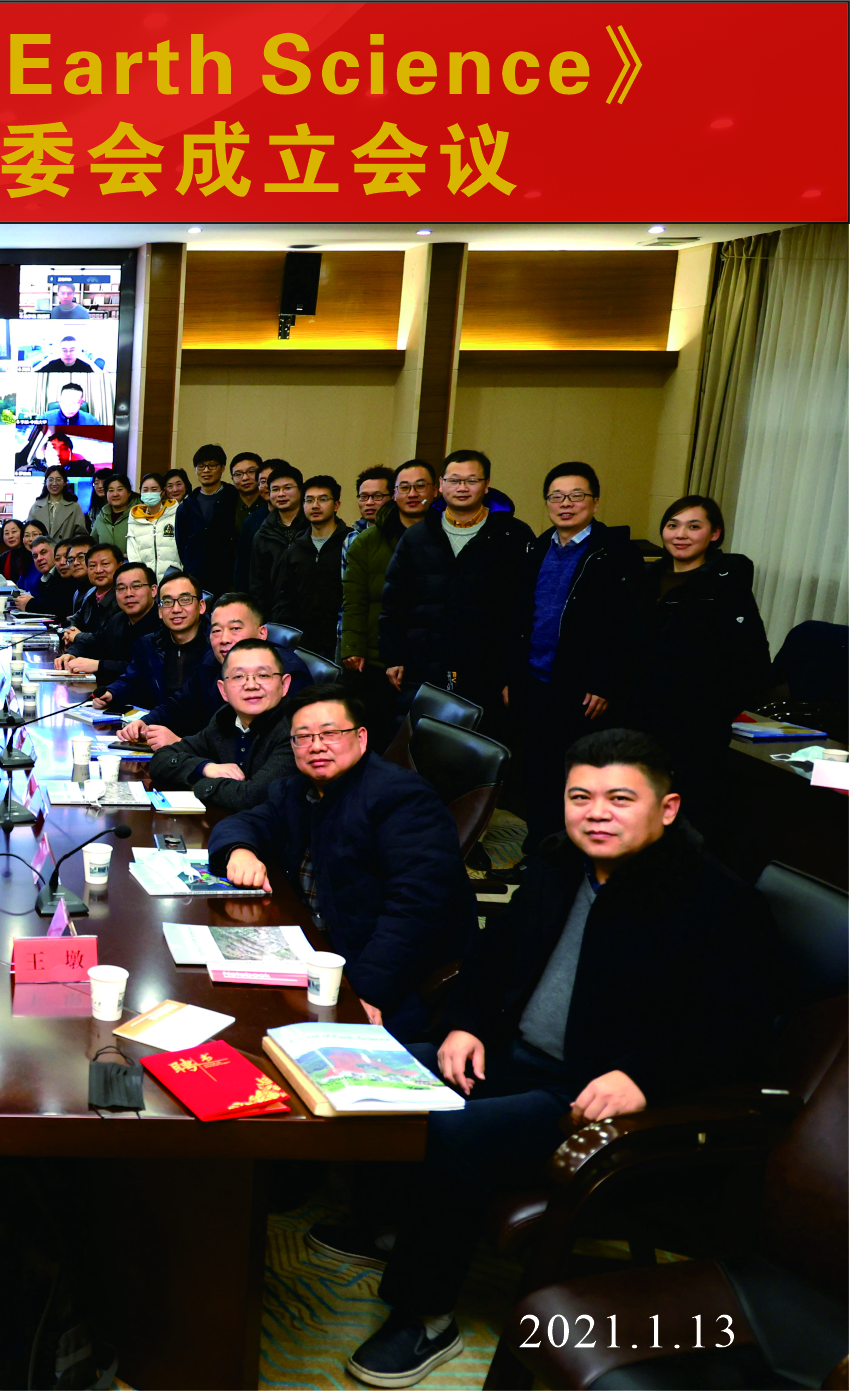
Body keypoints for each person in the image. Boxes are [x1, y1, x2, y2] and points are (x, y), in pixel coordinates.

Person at [326, 730, 774, 1389]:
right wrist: (465, 1023)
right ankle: (389, 1226)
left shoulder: (718, 902)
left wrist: (641, 1076)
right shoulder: (558, 861)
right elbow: (491, 957)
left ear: (668, 807)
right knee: (364, 1067)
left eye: (620, 798)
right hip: (511, 1052)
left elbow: (736, 1029)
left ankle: (424, 1315)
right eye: (579, 797)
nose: (596, 813)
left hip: (588, 1091)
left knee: (456, 1132)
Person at [208, 684, 477, 1042]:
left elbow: (417, 911)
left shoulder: (403, 799)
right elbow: (246, 822)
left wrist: (364, 991)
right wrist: (239, 850)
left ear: (361, 738)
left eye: (330, 734)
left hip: (391, 975)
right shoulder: (296, 789)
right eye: (303, 737)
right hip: (314, 949)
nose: (316, 746)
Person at [510, 463, 647, 850]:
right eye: (556, 496)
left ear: (595, 501)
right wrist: (512, 676)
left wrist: (605, 683)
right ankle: (539, 852)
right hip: (535, 681)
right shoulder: (537, 547)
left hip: (582, 689)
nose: (565, 504)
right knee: (537, 774)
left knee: (578, 778)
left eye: (576, 496)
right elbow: (519, 617)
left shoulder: (615, 553)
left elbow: (628, 627)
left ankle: (574, 855)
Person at [627, 495, 770, 840]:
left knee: (685, 819)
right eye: (673, 525)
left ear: (714, 534)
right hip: (639, 717)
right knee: (638, 810)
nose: (681, 535)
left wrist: (712, 711)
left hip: (694, 727)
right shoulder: (646, 578)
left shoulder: (726, 587)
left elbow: (752, 662)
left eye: (694, 526)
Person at [378, 448, 536, 715]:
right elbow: (394, 602)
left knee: (481, 736)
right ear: (440, 485)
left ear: (486, 484)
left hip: (487, 666)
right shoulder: (417, 536)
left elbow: (526, 608)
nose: (462, 488)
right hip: (424, 663)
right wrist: (393, 657)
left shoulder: (513, 535)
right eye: (454, 480)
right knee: (424, 734)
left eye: (472, 480)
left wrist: (515, 672)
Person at [121, 591, 290, 748]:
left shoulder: (281, 672)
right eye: (216, 630)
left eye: (235, 629)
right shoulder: (211, 662)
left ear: (262, 633)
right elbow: (181, 704)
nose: (224, 639)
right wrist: (145, 723)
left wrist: (181, 744)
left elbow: (254, 751)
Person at [146, 640, 300, 812]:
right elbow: (160, 761)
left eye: (263, 675)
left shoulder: (297, 730)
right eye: (238, 676)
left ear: (284, 684)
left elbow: (251, 798)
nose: (251, 685)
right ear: (223, 690)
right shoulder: (226, 719)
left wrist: (198, 785)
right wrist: (205, 768)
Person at [340, 460, 434, 720]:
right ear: (394, 493)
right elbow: (354, 599)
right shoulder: (366, 542)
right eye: (404, 487)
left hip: (427, 654)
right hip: (375, 653)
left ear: (435, 490)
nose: (412, 494)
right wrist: (352, 646)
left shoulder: (444, 537)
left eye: (420, 486)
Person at [96, 569, 208, 713]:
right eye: (168, 602)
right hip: (158, 722)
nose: (176, 609)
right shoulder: (148, 645)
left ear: (201, 606)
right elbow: (133, 681)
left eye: (185, 600)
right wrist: (112, 693)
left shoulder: (217, 645)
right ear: (160, 611)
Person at [270, 475, 352, 657]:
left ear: (336, 505)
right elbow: (285, 597)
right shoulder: (296, 547)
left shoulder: (349, 542)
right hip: (302, 640)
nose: (315, 505)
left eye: (323, 499)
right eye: (309, 500)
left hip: (340, 637)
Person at [60, 560, 166, 683]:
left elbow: (146, 667)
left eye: (136, 586)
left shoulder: (164, 623)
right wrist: (71, 654)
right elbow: (94, 643)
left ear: (153, 590)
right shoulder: (118, 619)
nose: (128, 594)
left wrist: (99, 665)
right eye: (121, 588)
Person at [175, 443, 242, 594]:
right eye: (201, 466)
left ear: (223, 468)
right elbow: (182, 545)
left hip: (228, 581)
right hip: (196, 579)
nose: (206, 470)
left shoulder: (234, 498)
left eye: (212, 465)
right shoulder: (186, 506)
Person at [244, 460, 309, 610]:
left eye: (287, 488)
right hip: (275, 613)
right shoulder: (263, 534)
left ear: (301, 490)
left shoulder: (313, 527)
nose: (281, 494)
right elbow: (257, 584)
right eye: (275, 489)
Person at [62, 541, 120, 642]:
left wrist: (78, 636)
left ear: (120, 566)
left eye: (105, 564)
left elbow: (108, 638)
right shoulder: (91, 594)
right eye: (92, 566)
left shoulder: (123, 597)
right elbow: (73, 620)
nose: (98, 570)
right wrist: (68, 633)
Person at [125, 473, 181, 576]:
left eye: (154, 489)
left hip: (174, 578)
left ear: (162, 492)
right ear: (140, 492)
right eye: (145, 490)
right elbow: (133, 553)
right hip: (145, 579)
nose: (149, 493)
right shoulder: (135, 518)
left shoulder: (176, 513)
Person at [19, 536, 79, 617]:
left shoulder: (75, 579)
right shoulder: (47, 577)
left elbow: (65, 607)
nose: (39, 558)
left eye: (43, 552)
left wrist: (30, 603)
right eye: (35, 556)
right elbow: (47, 599)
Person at [27, 464, 89, 541]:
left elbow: (81, 536)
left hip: (66, 548)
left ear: (65, 482)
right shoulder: (36, 506)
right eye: (51, 479)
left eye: (58, 479)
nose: (54, 483)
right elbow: (28, 533)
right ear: (46, 482)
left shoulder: (74, 507)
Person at [88, 473, 135, 552]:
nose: (115, 494)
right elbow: (92, 543)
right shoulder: (101, 516)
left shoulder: (138, 515)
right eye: (111, 490)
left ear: (129, 492)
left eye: (120, 489)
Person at [347, 464, 394, 540]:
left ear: (393, 497)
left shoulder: (404, 534)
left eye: (377, 496)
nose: (369, 502)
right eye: (364, 496)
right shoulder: (351, 537)